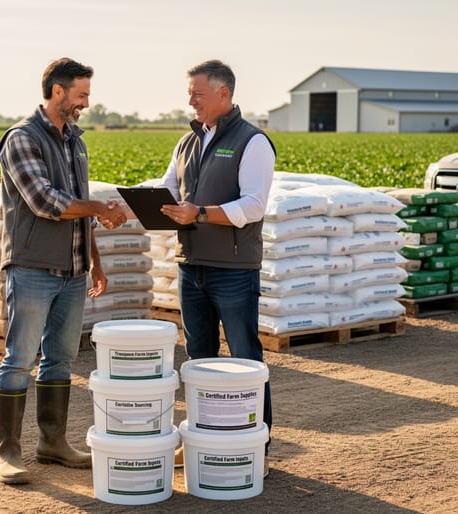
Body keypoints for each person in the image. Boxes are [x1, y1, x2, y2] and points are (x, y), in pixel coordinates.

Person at [0, 57, 127, 485]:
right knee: (19, 361)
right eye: (82, 94)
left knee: (60, 360)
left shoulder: (75, 141)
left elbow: (80, 207)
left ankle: (52, 443)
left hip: (72, 272)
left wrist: (96, 262)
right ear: (57, 92)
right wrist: (100, 209)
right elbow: (45, 201)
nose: (86, 102)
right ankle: (8, 452)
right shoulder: (22, 138)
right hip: (32, 267)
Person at [157, 59, 276, 476]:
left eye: (198, 93)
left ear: (223, 94)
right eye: (189, 92)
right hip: (192, 266)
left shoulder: (252, 142)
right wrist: (134, 201)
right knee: (198, 358)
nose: (190, 100)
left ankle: (257, 445)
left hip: (234, 269)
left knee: (246, 356)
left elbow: (254, 205)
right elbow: (170, 187)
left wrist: (201, 214)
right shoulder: (187, 142)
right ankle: (199, 441)